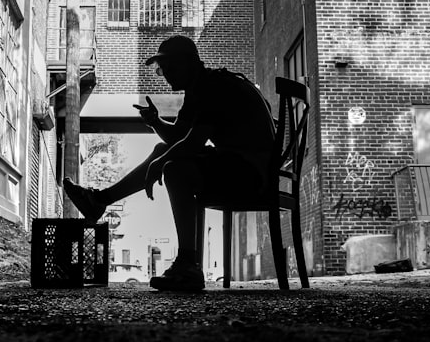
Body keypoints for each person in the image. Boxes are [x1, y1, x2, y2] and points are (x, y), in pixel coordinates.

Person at [64, 34, 276, 292]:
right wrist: (155, 122)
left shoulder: (213, 87)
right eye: (163, 70)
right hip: (240, 166)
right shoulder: (200, 88)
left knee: (175, 168)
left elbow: (193, 143)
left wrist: (160, 163)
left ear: (190, 62)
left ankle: (188, 266)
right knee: (164, 151)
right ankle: (99, 200)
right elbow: (178, 138)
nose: (166, 75)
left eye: (171, 68)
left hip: (252, 174)